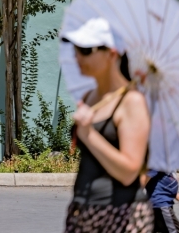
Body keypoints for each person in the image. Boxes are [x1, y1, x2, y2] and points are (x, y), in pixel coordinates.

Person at [63, 17, 152, 233]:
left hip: (122, 214)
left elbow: (130, 172)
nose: (77, 56)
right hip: (83, 210)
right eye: (75, 49)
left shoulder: (132, 102)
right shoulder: (90, 96)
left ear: (112, 54)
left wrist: (88, 134)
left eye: (86, 50)